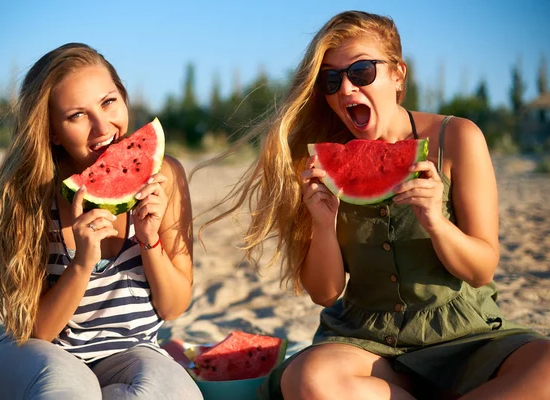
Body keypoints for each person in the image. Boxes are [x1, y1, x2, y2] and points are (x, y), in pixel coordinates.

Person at [196, 10, 550, 400]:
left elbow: (482, 269)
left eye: (361, 72)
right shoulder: (317, 162)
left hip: (465, 336)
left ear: (398, 74)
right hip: (366, 345)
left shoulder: (458, 138)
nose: (346, 90)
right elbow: (325, 293)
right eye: (331, 80)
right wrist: (322, 223)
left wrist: (437, 222)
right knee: (309, 379)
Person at [0, 42, 203, 400]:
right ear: (52, 130)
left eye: (108, 102)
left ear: (124, 97)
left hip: (130, 352)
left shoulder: (167, 176)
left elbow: (173, 307)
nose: (102, 127)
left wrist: (149, 240)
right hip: (39, 353)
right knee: (68, 391)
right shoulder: (30, 193)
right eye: (77, 115)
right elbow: (37, 330)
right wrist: (82, 263)